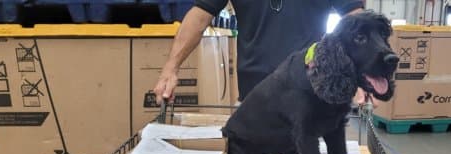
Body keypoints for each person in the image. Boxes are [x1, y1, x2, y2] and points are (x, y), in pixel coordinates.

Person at [154, 0, 365, 104]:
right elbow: (199, 16)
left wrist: (360, 69)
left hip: (311, 97)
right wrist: (170, 69)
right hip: (254, 99)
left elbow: (355, 18)